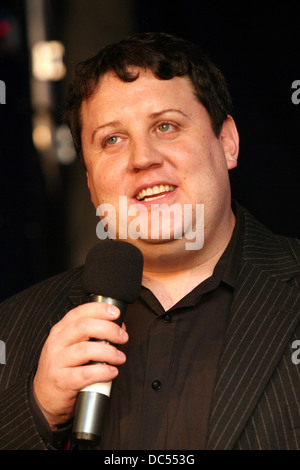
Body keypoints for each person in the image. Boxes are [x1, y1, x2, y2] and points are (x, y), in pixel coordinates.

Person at [0, 32, 299, 450]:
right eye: (112, 140)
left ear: (227, 142)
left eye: (166, 126)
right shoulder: (11, 329)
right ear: (89, 180)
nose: (143, 158)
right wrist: (39, 412)